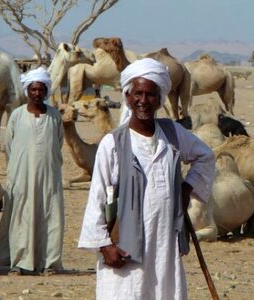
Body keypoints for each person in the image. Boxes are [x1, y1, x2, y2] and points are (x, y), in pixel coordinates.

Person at [78, 58, 215, 299]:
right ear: (128, 97)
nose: (143, 101)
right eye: (137, 93)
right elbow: (97, 196)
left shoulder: (173, 134)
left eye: (150, 94)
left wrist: (186, 188)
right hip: (125, 244)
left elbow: (206, 156)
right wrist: (103, 245)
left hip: (165, 241)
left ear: (159, 98)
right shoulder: (113, 143)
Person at [0, 67, 64, 275]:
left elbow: (58, 143)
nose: (36, 93)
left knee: (50, 217)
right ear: (27, 91)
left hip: (49, 177)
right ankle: (19, 263)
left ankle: (49, 263)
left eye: (40, 89)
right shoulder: (16, 115)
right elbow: (9, 145)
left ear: (46, 91)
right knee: (20, 216)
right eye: (33, 89)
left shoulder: (54, 116)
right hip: (21, 177)